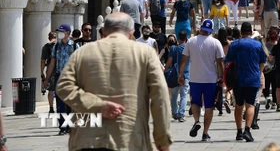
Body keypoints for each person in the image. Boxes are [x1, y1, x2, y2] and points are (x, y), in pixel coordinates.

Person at [56, 12, 172, 151]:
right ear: (132, 32)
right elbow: (160, 96)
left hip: (87, 139)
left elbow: (63, 87)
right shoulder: (145, 53)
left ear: (104, 31)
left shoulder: (82, 53)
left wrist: (98, 105)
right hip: (128, 138)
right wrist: (162, 138)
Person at [178, 19, 225, 142]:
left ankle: (197, 121)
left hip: (195, 78)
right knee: (209, 106)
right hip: (210, 79)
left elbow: (184, 59)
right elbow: (220, 62)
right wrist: (221, 76)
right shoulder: (215, 42)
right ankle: (205, 133)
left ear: (201, 28)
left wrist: (180, 74)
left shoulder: (191, 41)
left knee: (195, 102)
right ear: (211, 30)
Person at [224, 22, 266, 142]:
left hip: (238, 79)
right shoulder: (257, 44)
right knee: (250, 105)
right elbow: (262, 62)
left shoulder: (235, 44)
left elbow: (228, 61)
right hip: (253, 78)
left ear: (241, 32)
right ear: (251, 33)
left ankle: (239, 131)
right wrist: (259, 73)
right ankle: (247, 130)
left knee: (238, 105)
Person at [43, 24, 80, 135]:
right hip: (59, 76)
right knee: (59, 103)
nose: (60, 33)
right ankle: (62, 127)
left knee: (70, 103)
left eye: (62, 31)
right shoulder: (57, 46)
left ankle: (70, 126)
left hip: (71, 77)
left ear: (68, 33)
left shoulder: (74, 46)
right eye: (59, 31)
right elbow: (52, 63)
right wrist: (47, 78)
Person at [165, 31, 190, 122]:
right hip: (185, 74)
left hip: (174, 75)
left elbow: (169, 61)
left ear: (178, 38)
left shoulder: (173, 48)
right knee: (183, 95)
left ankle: (174, 112)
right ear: (186, 39)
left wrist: (165, 70)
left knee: (174, 95)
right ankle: (181, 114)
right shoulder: (188, 48)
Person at [41, 32, 57, 114]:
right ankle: (61, 107)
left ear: (48, 37)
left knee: (51, 90)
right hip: (60, 69)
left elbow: (43, 61)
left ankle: (51, 107)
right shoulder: (59, 45)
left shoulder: (46, 47)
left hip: (50, 70)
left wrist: (42, 72)